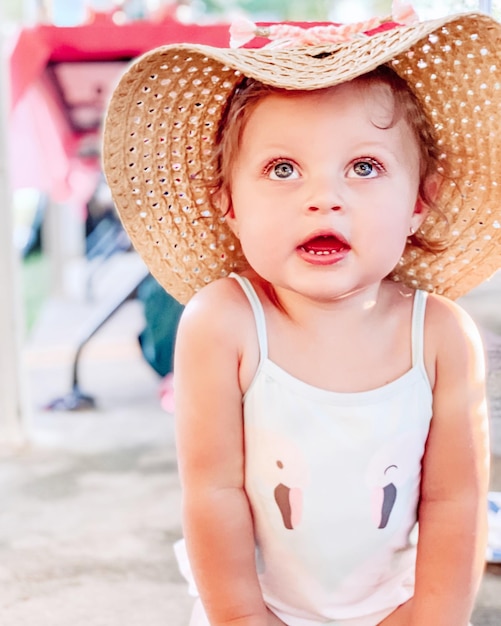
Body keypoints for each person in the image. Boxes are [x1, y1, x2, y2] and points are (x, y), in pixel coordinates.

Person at [102, 4, 501, 625]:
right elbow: (213, 494)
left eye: (364, 167)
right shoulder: (224, 324)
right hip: (260, 608)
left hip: (398, 608)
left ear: (421, 202)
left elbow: (456, 500)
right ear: (228, 202)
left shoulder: (442, 336)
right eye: (283, 169)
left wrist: (431, 619)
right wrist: (245, 619)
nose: (324, 199)